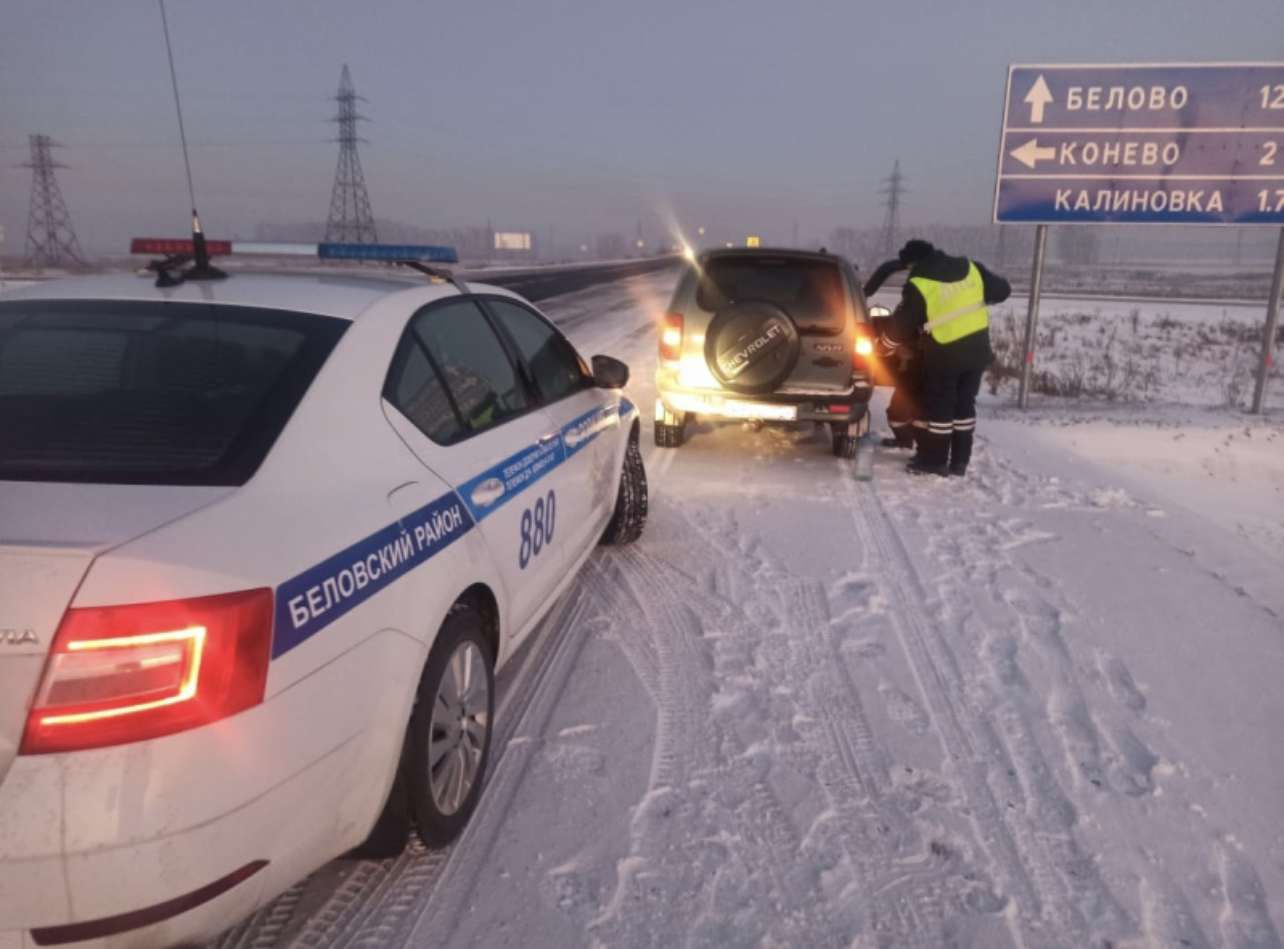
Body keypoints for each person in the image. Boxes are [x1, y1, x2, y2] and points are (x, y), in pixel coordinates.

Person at [887, 239, 1011, 477]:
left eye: (909, 267)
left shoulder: (919, 281)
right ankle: (960, 461)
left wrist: (885, 346)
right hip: (977, 351)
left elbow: (901, 326)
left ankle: (934, 461)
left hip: (945, 352)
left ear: (913, 262)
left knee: (940, 406)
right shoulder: (972, 267)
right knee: (964, 405)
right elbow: (1003, 291)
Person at [862, 258, 921, 449]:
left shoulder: (912, 306)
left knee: (898, 410)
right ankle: (924, 445)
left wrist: (883, 348)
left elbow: (899, 330)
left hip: (920, 367)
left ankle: (913, 442)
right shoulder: (934, 304)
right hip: (937, 366)